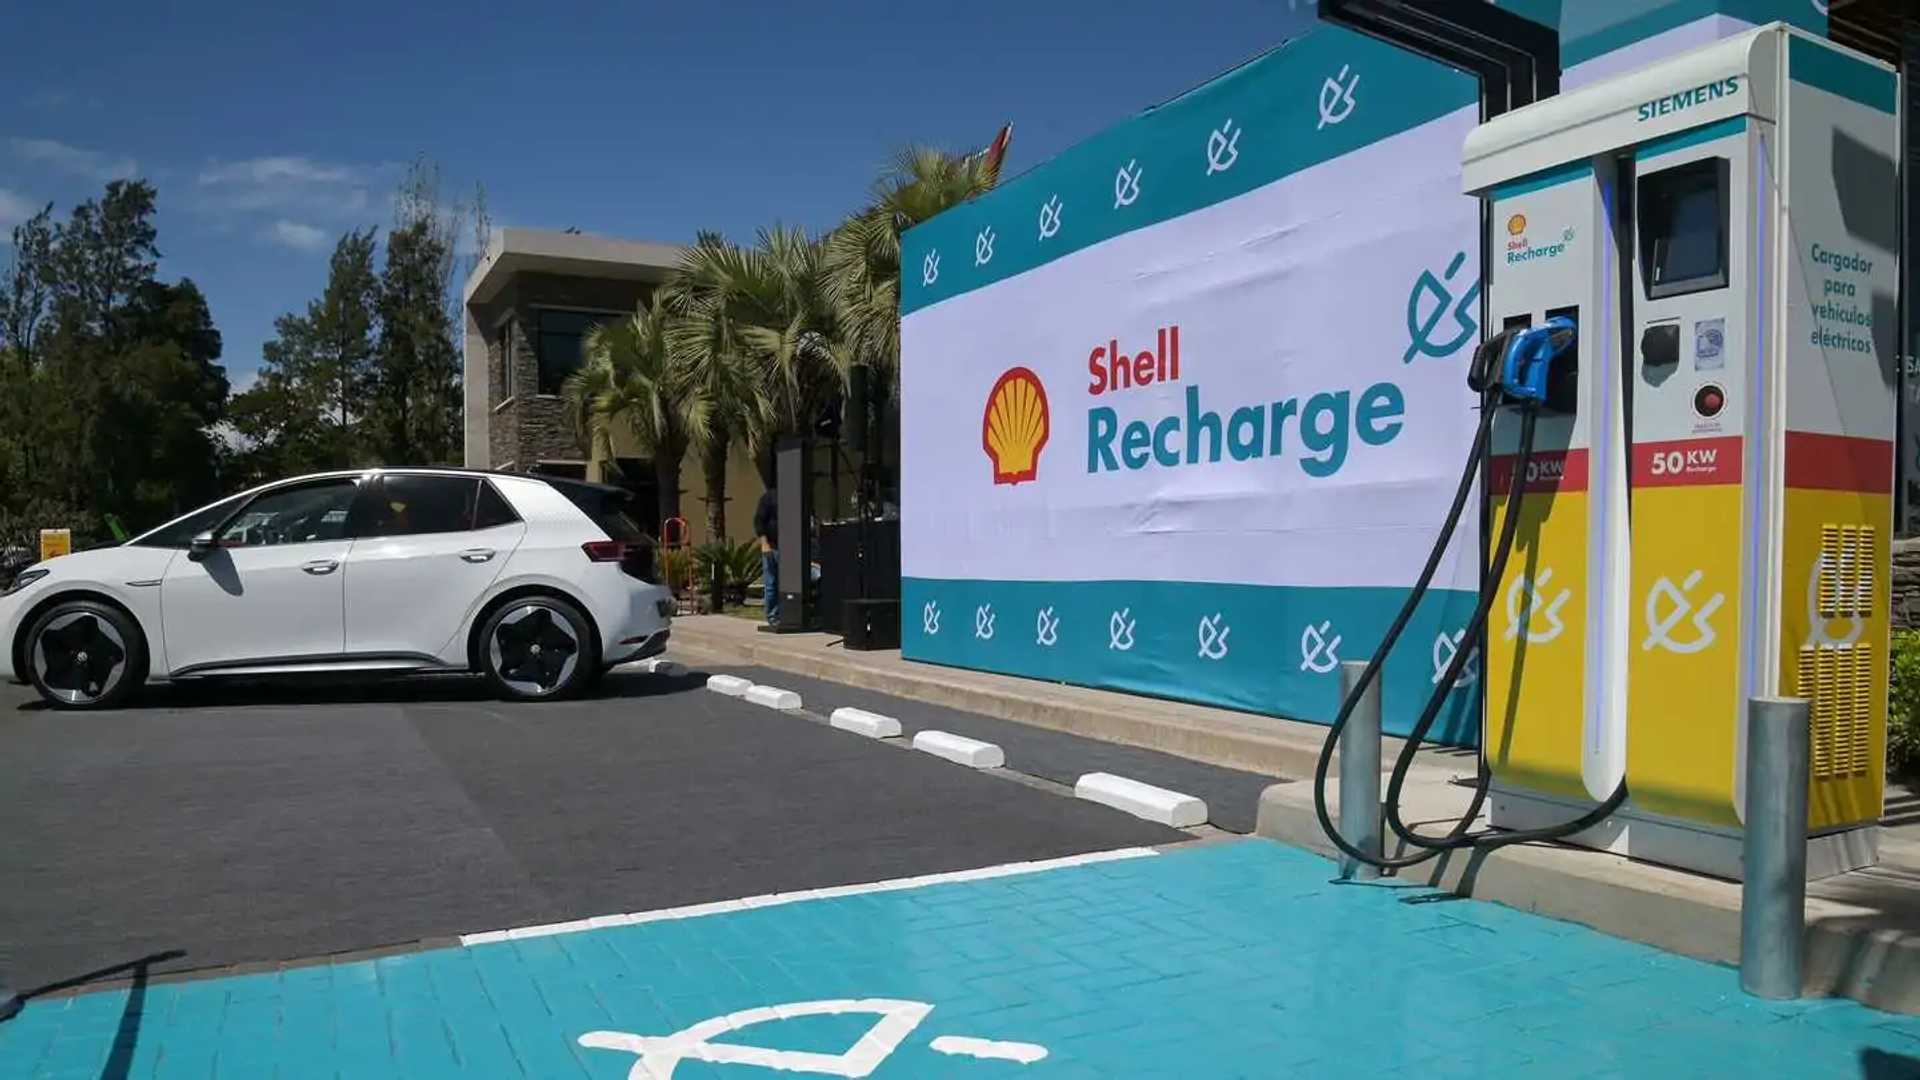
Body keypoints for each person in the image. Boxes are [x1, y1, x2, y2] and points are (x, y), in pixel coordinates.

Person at [754, 483, 779, 627]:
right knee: (771, 583)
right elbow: (759, 521)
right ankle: (772, 616)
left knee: (787, 584)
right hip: (772, 547)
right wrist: (764, 543)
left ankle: (786, 613)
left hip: (791, 549)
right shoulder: (769, 497)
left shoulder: (794, 497)